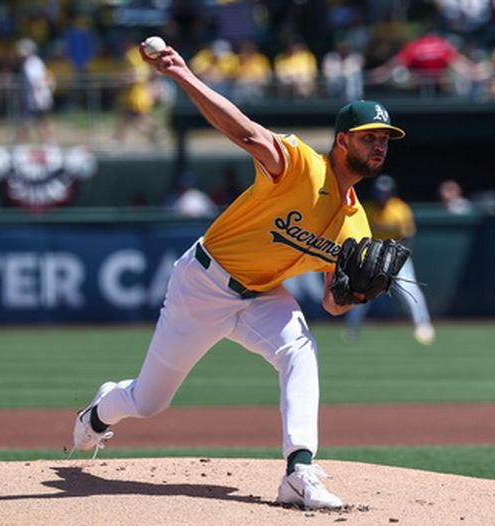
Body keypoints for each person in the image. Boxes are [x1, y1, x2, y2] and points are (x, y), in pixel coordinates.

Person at [70, 39, 407, 510]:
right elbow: (246, 132)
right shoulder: (299, 167)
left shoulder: (357, 224)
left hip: (262, 295)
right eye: (370, 136)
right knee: (148, 402)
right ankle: (100, 414)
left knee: (300, 349)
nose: (379, 145)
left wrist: (360, 293)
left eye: (385, 139)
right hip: (203, 284)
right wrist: (182, 75)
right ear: (342, 140)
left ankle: (298, 469)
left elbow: (333, 302)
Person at [343, 175, 435, 345]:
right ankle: (351, 329)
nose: (382, 198)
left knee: (411, 291)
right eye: (379, 194)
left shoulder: (400, 210)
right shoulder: (367, 210)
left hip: (395, 256)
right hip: (372, 256)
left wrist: (397, 257)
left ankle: (423, 325)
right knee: (361, 293)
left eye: (385, 194)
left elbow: (408, 236)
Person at [15, 38, 55, 144]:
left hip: (37, 97)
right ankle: (42, 142)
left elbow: (37, 82)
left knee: (36, 121)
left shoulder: (33, 63)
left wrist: (37, 98)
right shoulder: (34, 63)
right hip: (36, 97)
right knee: (35, 121)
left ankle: (45, 142)